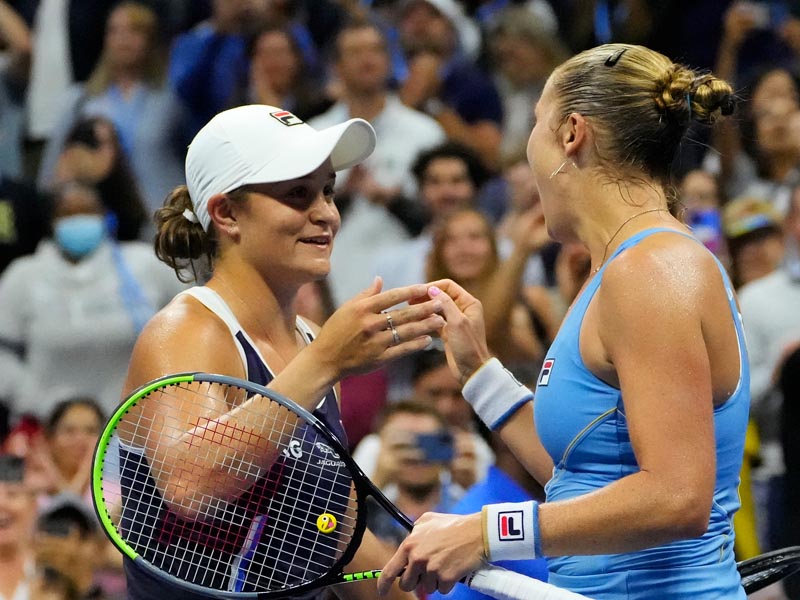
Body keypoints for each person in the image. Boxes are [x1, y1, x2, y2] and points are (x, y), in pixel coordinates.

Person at [376, 43, 748, 599]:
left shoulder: (651, 270)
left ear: (571, 132)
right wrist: (480, 373)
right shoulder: (623, 267)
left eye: (534, 124)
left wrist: (487, 533)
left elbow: (677, 497)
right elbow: (587, 474)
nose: (525, 148)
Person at [121, 103, 444, 599]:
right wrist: (326, 363)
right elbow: (191, 486)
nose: (326, 214)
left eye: (328, 192)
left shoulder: (313, 343)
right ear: (226, 213)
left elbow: (332, 533)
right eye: (297, 194)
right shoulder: (188, 332)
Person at [0, 182, 185, 417]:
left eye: (88, 211)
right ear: (52, 221)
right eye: (68, 213)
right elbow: (2, 354)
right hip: (50, 426)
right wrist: (38, 402)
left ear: (105, 216)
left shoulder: (146, 264)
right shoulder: (22, 276)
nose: (79, 220)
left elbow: (193, 320)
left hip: (140, 423)